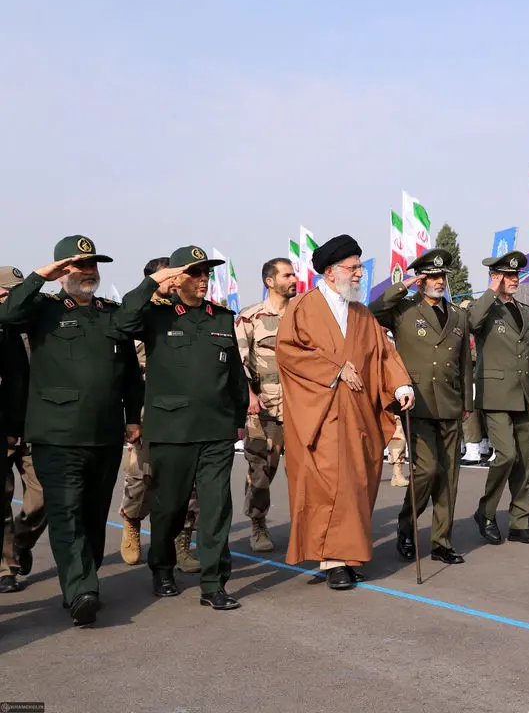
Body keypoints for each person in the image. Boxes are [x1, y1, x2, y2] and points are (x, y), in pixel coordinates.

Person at [0, 237, 143, 625]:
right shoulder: (42, 309)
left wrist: (132, 417)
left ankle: (81, 579)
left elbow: (130, 372)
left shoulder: (111, 313)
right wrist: (40, 276)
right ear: (63, 270)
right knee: (66, 514)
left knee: (94, 516)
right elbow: (7, 314)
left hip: (104, 433)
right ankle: (81, 590)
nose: (88, 272)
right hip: (56, 433)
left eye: (93, 265)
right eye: (80, 265)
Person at [112, 245, 247, 610]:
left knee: (217, 508)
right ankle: (162, 566)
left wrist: (239, 418)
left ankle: (213, 583)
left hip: (217, 429)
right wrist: (155, 281)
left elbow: (234, 373)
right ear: (177, 277)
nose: (204, 279)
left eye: (207, 273)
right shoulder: (157, 316)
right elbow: (123, 321)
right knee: (170, 506)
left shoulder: (222, 318)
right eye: (196, 273)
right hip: (172, 429)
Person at [276, 235, 414, 588]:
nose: (359, 274)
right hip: (320, 417)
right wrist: (334, 369)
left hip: (358, 417)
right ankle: (334, 561)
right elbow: (289, 354)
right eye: (353, 268)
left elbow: (383, 355)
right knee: (328, 487)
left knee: (356, 485)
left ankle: (349, 556)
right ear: (330, 271)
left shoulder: (363, 314)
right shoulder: (302, 308)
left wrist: (401, 386)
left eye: (359, 268)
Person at [370, 248, 472, 565]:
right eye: (432, 277)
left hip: (451, 402)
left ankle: (441, 541)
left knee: (449, 476)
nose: (439, 282)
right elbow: (373, 310)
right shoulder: (403, 309)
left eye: (442, 277)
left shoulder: (458, 315)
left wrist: (467, 402)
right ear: (421, 281)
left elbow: (465, 363)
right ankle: (406, 527)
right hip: (417, 401)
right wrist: (403, 284)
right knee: (427, 470)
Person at [117, 256, 201, 571]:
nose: (173, 282)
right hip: (147, 408)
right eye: (167, 277)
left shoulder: (187, 313)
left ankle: (181, 543)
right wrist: (131, 417)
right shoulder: (139, 314)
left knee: (187, 483)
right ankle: (132, 521)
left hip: (184, 413)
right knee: (142, 477)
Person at [469, 250, 529, 546]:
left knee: (525, 462)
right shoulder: (485, 307)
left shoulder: (525, 311)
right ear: (495, 278)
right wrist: (490, 289)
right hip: (496, 395)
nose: (512, 281)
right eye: (506, 276)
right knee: (506, 455)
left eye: (515, 276)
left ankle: (519, 521)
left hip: (524, 395)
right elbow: (471, 322)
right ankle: (486, 512)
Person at [234, 258, 298, 552]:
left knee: (305, 472)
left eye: (294, 273)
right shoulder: (250, 317)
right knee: (261, 470)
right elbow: (237, 363)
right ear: (270, 282)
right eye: (287, 275)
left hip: (302, 408)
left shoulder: (304, 315)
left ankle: (305, 525)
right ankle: (258, 524)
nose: (294, 278)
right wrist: (248, 396)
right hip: (266, 409)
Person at [0, 265, 38, 595]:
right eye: (7, 291)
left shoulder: (36, 326)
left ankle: (22, 543)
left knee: (45, 499)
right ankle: (6, 567)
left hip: (36, 427)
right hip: (2, 429)